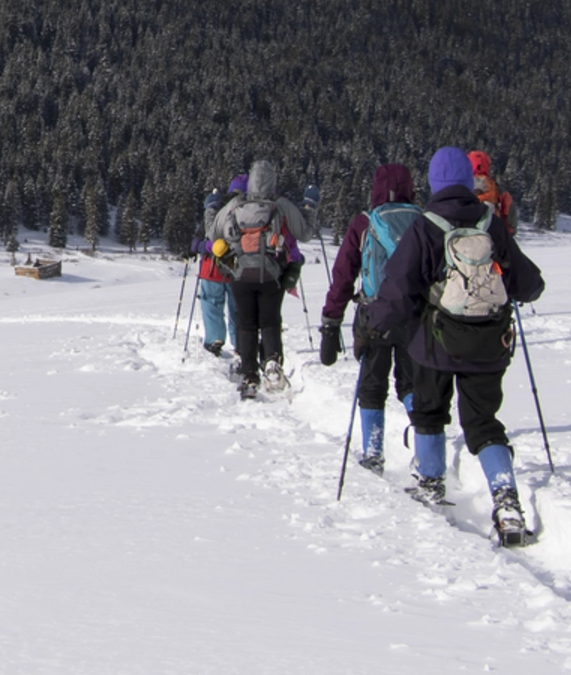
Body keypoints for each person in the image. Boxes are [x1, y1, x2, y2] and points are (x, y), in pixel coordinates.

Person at [366, 147, 545, 546]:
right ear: (467, 181)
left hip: (432, 345)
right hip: (488, 343)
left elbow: (397, 289)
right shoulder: (490, 222)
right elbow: (528, 283)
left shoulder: (425, 226)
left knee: (429, 413)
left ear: (433, 183)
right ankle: (506, 498)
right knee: (483, 423)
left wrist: (373, 324)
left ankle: (431, 483)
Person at [319, 163, 421, 473]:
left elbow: (343, 276)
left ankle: (373, 452)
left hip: (373, 314)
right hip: (414, 314)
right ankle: (423, 441)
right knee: (412, 384)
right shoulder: (422, 221)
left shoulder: (364, 223)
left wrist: (331, 320)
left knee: (372, 385)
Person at [211, 159, 319, 399]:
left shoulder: (236, 204)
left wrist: (210, 208)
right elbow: (305, 233)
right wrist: (310, 206)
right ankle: (272, 364)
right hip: (271, 273)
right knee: (270, 321)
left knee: (246, 323)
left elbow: (213, 232)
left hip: (240, 273)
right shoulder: (279, 204)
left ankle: (249, 374)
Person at [192, 174, 246, 356]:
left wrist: (197, 246)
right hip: (238, 268)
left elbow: (202, 234)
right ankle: (241, 343)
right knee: (238, 307)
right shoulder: (250, 210)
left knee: (211, 303)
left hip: (212, 266)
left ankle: (214, 339)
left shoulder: (216, 207)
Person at [468, 151, 520, 234]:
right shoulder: (500, 191)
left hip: (464, 239)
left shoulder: (460, 188)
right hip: (493, 238)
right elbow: (511, 224)